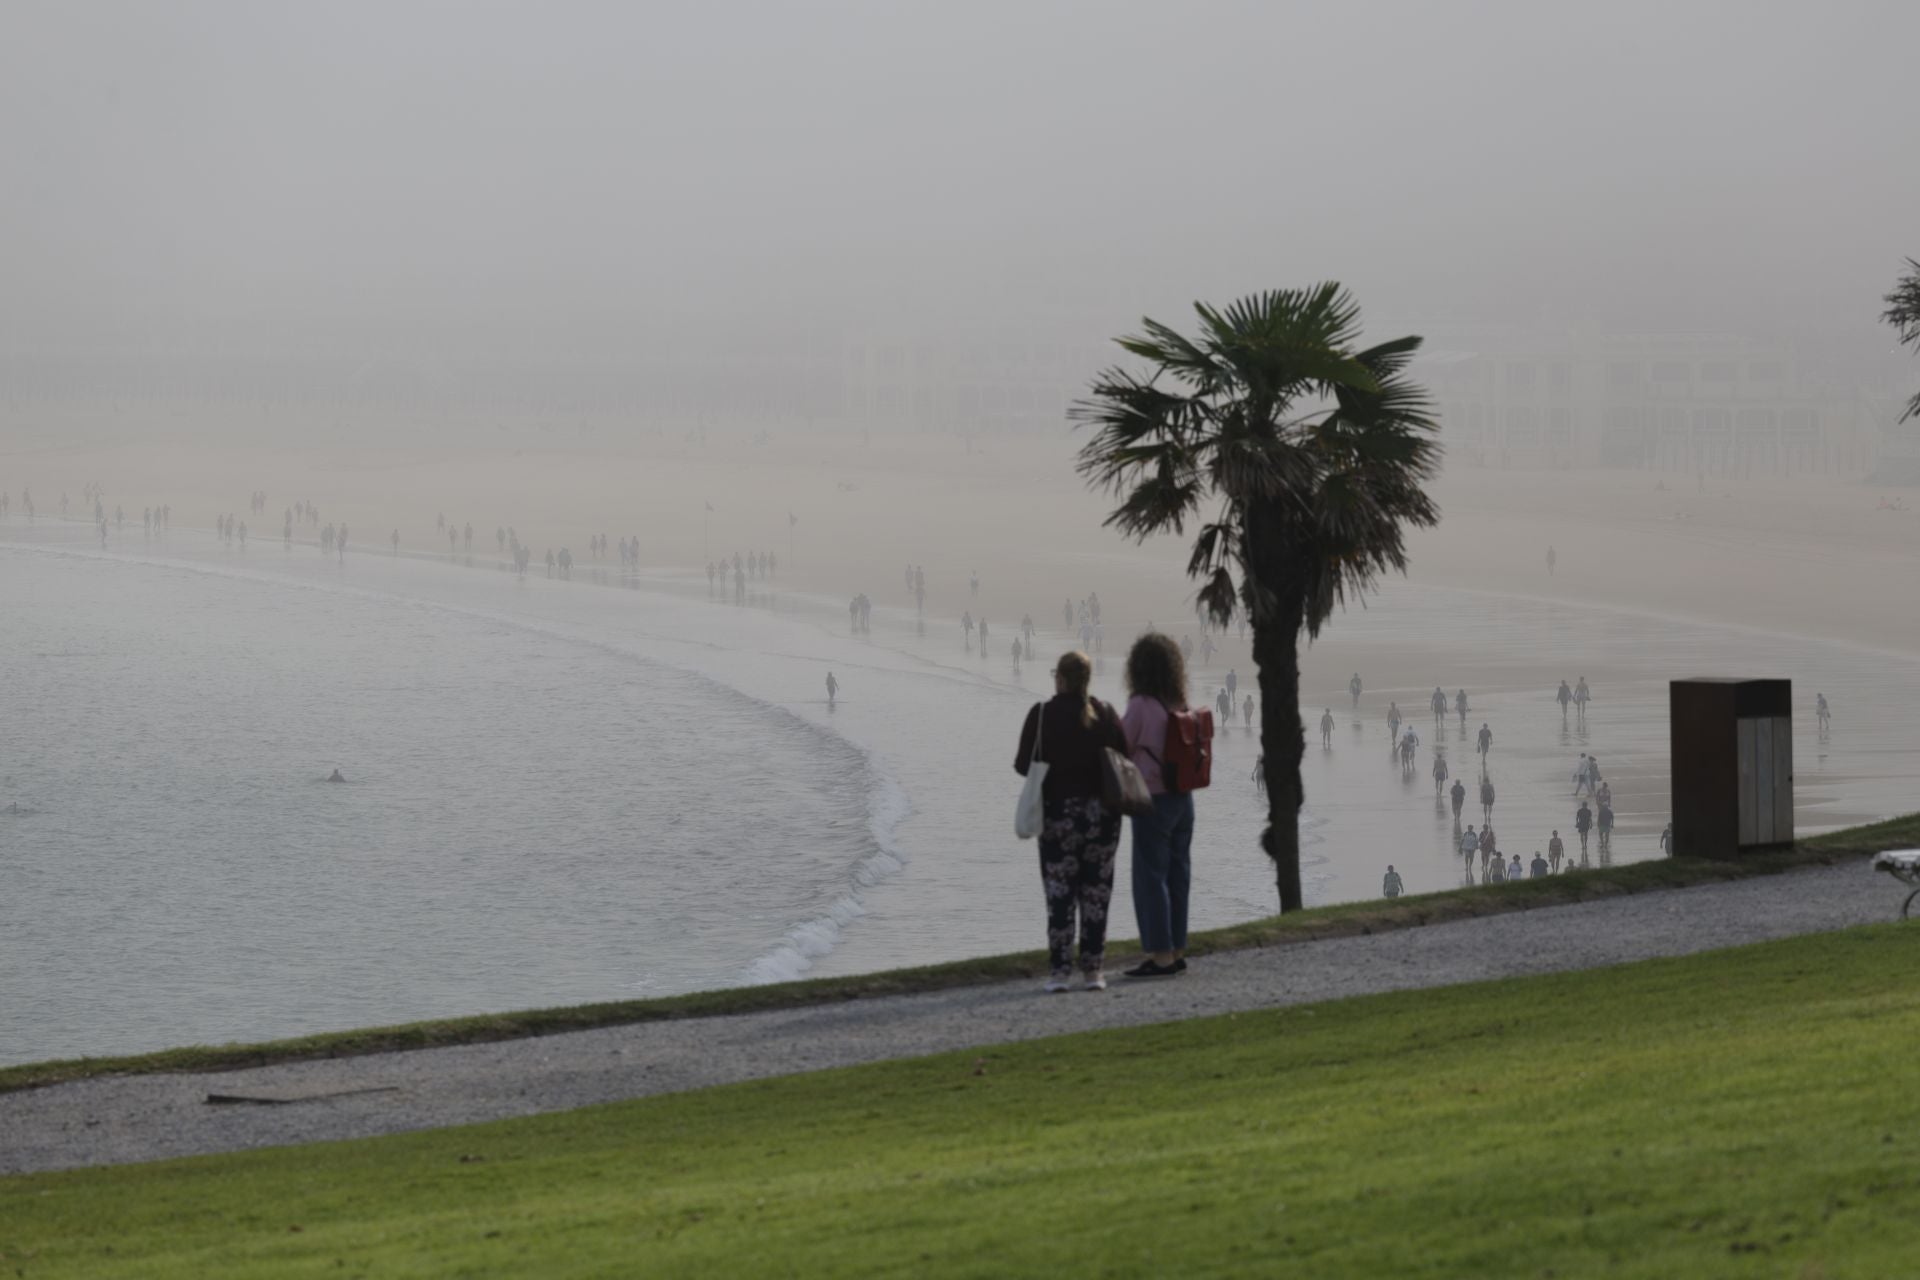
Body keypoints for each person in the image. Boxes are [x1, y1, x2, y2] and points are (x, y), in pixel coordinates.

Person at [1015, 651, 1127, 993]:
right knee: (1096, 893)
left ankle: (1060, 971)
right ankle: (1093, 970)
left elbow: (1023, 764)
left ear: (1060, 678)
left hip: (1058, 816)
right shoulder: (1105, 714)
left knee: (1060, 894)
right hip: (1101, 818)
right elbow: (1125, 758)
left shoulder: (1042, 714)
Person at [1121, 632, 1196, 980]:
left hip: (1153, 799)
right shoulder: (1179, 703)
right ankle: (1177, 948)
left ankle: (1161, 955)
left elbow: (1120, 744)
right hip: (1183, 798)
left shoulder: (1140, 706)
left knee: (1151, 877)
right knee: (1178, 875)